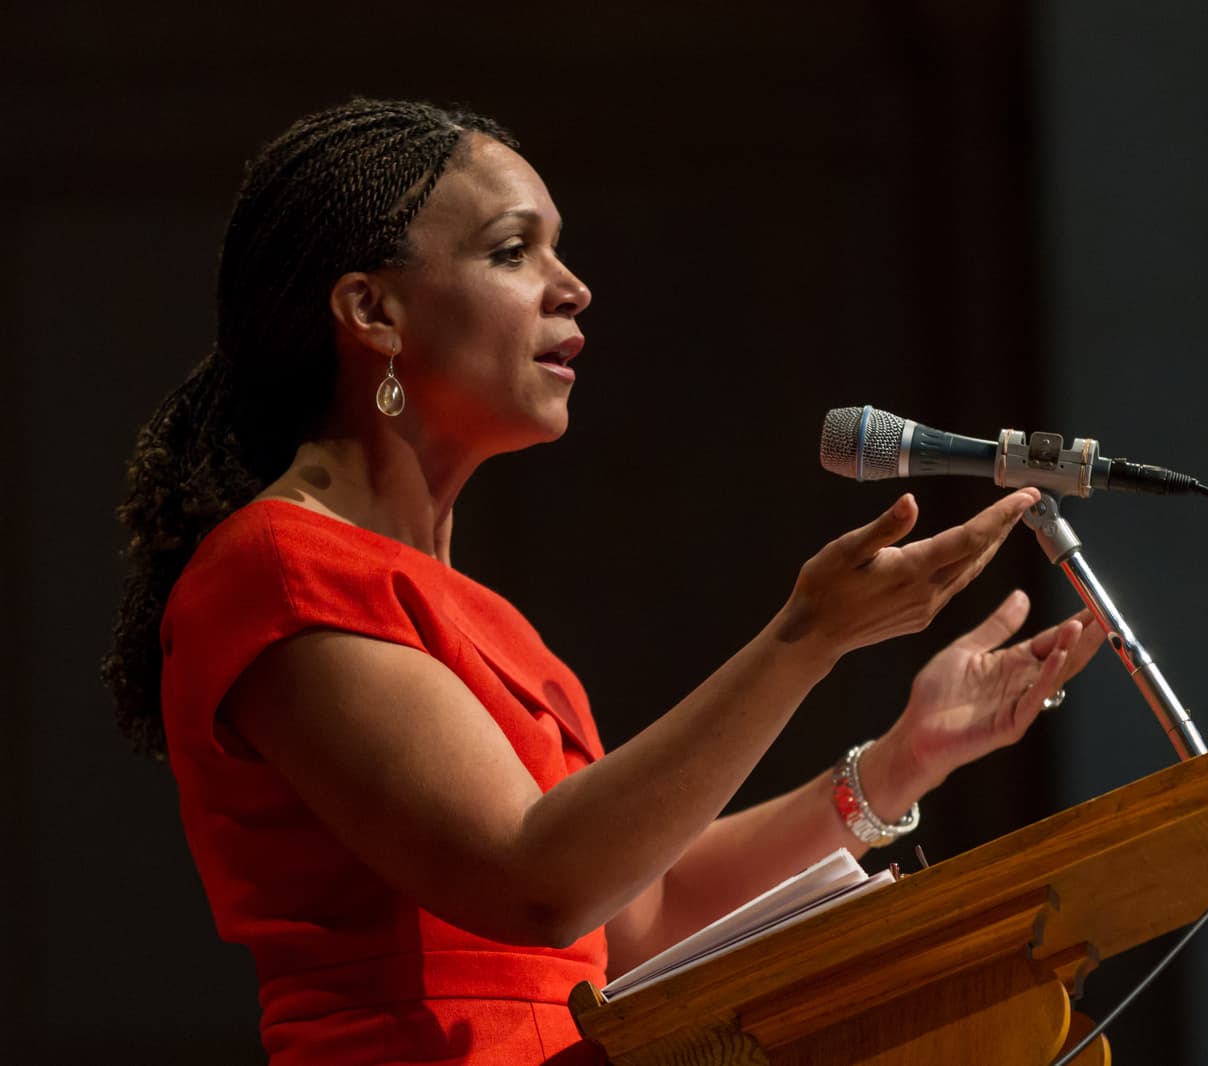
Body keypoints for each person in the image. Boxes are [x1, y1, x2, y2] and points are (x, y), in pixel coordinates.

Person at [102, 98, 1105, 1065]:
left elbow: (638, 917)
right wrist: (805, 638)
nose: (572, 286)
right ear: (373, 310)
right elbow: (536, 881)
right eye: (511, 250)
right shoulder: (279, 568)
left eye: (557, 248)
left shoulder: (492, 622)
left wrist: (900, 761)